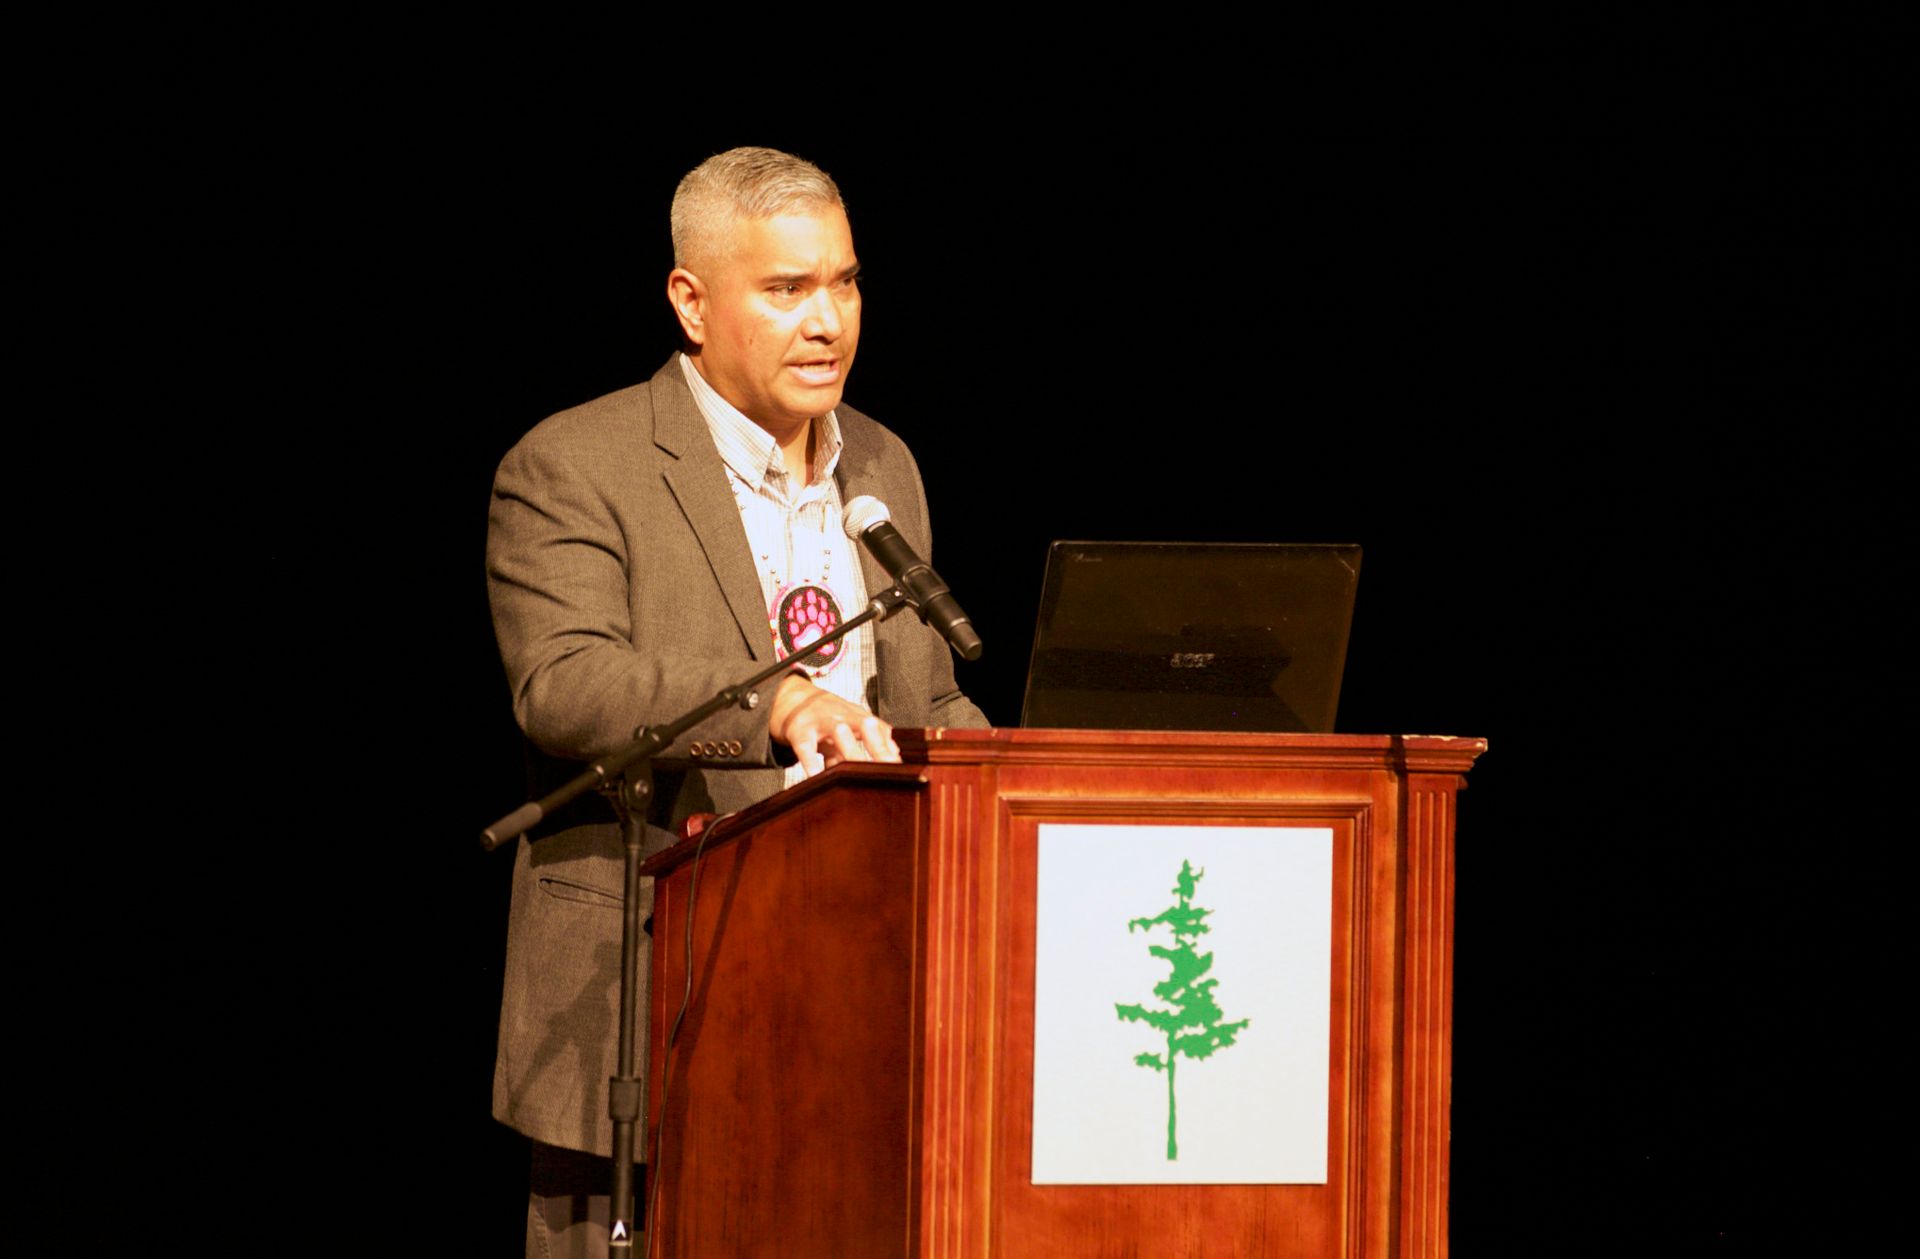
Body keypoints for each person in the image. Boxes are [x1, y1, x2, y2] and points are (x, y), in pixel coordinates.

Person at [486, 146, 986, 1256]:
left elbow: (925, 699)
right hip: (654, 982)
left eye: (845, 283)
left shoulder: (885, 465)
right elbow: (563, 679)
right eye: (787, 288)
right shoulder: (575, 461)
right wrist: (778, 701)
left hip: (868, 971)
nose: (828, 322)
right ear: (691, 300)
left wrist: (1038, 784)